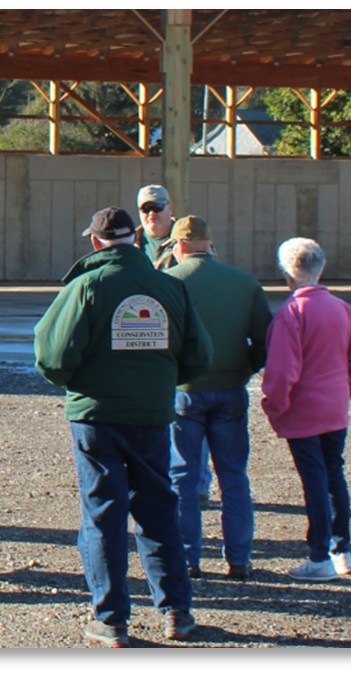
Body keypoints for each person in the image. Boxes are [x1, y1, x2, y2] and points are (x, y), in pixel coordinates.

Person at [34, 207, 212, 648]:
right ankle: (177, 613)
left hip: (95, 418)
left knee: (102, 514)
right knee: (158, 509)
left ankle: (111, 620)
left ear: (95, 243)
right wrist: (158, 380)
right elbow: (199, 356)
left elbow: (53, 357)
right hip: (151, 416)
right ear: (135, 237)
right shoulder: (170, 286)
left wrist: (82, 382)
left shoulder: (86, 286)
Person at [164, 216, 272, 581]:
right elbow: (264, 340)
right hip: (231, 389)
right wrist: (244, 369)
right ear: (210, 245)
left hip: (184, 391)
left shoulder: (167, 282)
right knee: (233, 476)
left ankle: (188, 558)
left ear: (179, 246)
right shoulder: (244, 281)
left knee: (182, 477)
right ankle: (239, 559)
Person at [261, 238, 351, 582]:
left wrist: (274, 406)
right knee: (333, 474)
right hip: (334, 407)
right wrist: (347, 387)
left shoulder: (291, 313)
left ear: (286, 273)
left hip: (302, 412)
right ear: (320, 268)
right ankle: (342, 551)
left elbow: (282, 371)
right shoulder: (342, 308)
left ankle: (319, 556)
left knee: (314, 480)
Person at [137, 185, 213, 505]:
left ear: (170, 208)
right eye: (145, 209)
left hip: (180, 338)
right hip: (143, 337)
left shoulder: (189, 237)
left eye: (157, 207)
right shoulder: (133, 242)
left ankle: (197, 484)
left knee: (187, 416)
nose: (151, 214)